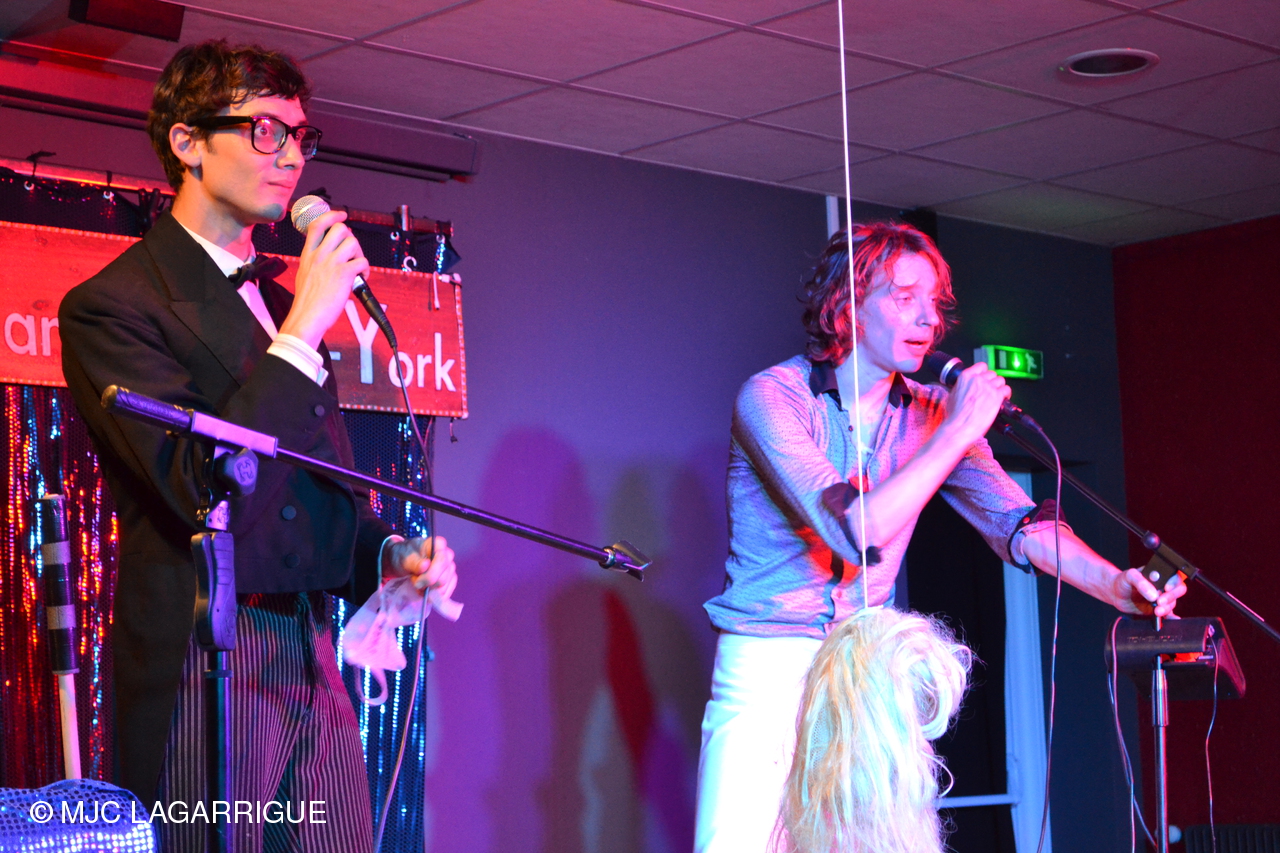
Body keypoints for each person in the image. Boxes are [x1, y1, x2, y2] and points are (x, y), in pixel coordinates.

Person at [58, 40, 456, 853]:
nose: (291, 157)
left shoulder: (278, 301)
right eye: (265, 130)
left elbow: (312, 485)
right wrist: (304, 326)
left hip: (308, 642)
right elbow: (198, 486)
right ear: (188, 142)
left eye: (301, 137)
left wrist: (387, 555)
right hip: (208, 646)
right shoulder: (115, 304)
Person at [694, 222, 1185, 853]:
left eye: (934, 303)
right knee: (735, 843)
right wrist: (956, 432)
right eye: (905, 298)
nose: (928, 319)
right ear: (846, 306)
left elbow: (1018, 523)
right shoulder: (775, 398)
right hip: (768, 657)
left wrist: (1113, 585)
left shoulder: (930, 411)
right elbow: (854, 531)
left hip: (863, 664)